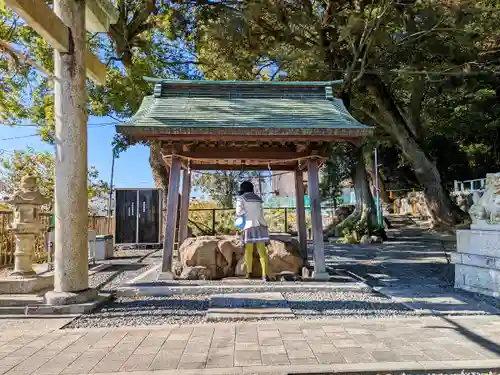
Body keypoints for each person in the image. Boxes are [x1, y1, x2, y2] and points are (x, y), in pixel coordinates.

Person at [235, 180, 270, 281]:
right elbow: (261, 214)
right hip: (260, 226)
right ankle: (265, 275)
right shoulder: (258, 199)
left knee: (248, 251)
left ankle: (249, 273)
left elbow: (239, 212)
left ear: (242, 188)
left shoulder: (241, 198)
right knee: (262, 252)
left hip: (248, 226)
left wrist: (244, 214)